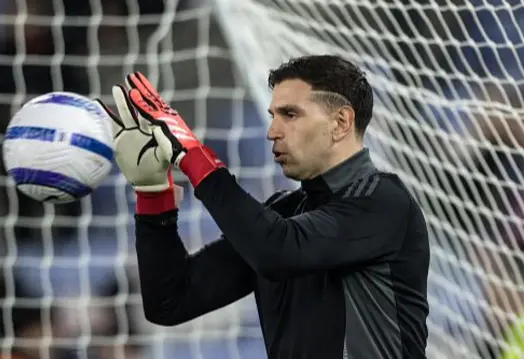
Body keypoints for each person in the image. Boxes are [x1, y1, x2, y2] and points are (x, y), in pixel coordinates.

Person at [95, 55, 430, 358]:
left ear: (341, 122)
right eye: (273, 116)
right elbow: (170, 301)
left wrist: (194, 156)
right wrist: (153, 195)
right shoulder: (282, 215)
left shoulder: (383, 201)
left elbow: (279, 250)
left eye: (290, 115)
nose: (272, 131)